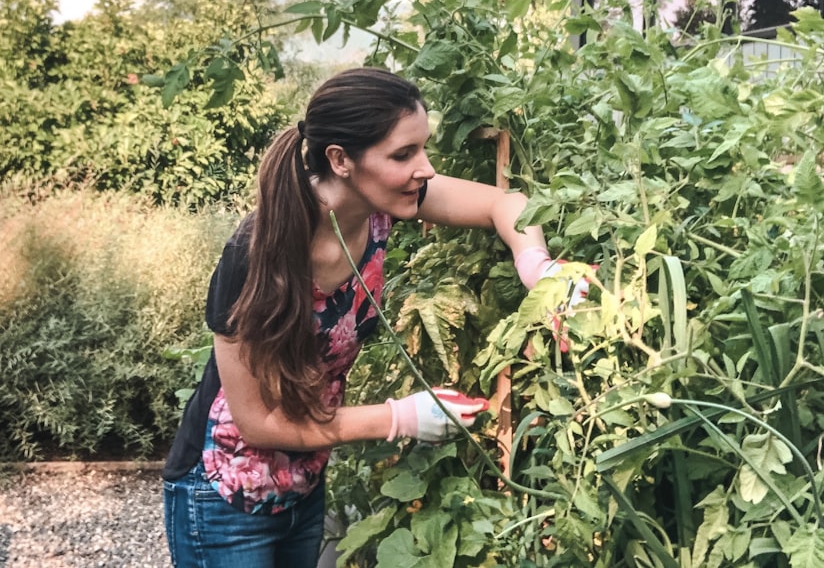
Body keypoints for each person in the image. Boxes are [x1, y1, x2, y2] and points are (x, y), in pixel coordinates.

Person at [161, 67, 574, 567]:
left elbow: (506, 202)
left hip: (303, 478)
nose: (424, 168)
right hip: (224, 488)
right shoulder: (258, 254)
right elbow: (258, 424)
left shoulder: (386, 204)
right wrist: (398, 418)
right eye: (403, 154)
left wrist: (536, 265)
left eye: (423, 148)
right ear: (340, 160)